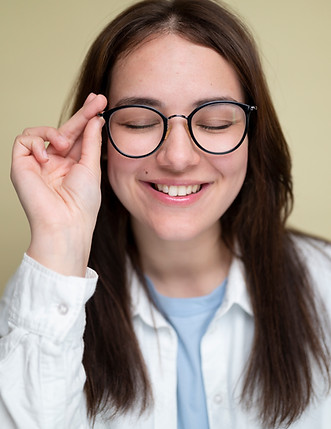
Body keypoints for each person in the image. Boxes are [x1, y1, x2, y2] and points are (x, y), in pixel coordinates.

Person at [0, 0, 330, 428]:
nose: (177, 158)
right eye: (139, 122)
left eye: (213, 122)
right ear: (96, 137)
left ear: (253, 134)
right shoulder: (42, 305)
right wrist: (59, 237)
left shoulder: (324, 284)